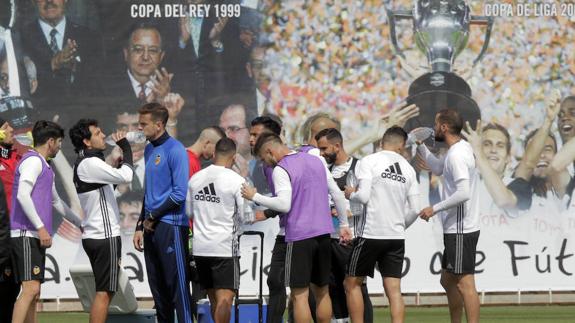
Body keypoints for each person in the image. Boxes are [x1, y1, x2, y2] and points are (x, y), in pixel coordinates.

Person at [242, 133, 351, 323]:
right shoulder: (316, 160)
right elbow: (337, 194)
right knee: (322, 291)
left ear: (269, 151)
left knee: (299, 295)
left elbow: (284, 205)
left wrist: (255, 196)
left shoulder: (281, 169)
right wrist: (343, 225)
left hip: (299, 237)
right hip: (324, 234)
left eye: (263, 159)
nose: (266, 164)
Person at [343, 126, 420, 323]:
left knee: (352, 283)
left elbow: (364, 196)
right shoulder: (409, 169)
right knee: (394, 290)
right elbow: (415, 209)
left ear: (380, 143)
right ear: (402, 147)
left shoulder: (369, 161)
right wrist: (399, 226)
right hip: (395, 237)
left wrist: (351, 193)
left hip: (370, 234)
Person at [10, 120, 81, 323]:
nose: (59, 146)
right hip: (25, 233)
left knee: (35, 292)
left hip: (34, 235)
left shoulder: (44, 165)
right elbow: (23, 195)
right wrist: (41, 228)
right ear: (50, 142)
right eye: (59, 142)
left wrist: (79, 223)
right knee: (30, 290)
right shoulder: (32, 161)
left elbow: (56, 201)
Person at [416, 109, 480, 323]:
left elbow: (463, 194)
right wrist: (419, 144)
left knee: (465, 284)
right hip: (456, 228)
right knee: (447, 280)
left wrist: (434, 208)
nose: (434, 129)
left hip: (461, 228)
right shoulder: (458, 150)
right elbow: (437, 167)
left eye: (436, 125)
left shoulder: (457, 155)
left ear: (444, 126)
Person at [69, 119, 134, 323]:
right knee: (104, 293)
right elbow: (127, 177)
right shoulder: (90, 163)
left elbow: (105, 192)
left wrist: (116, 168)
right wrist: (125, 147)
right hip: (104, 235)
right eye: (97, 133)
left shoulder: (86, 162)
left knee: (106, 291)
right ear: (87, 142)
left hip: (98, 234)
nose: (102, 134)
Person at [132, 103, 192, 323]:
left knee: (178, 289)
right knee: (158, 291)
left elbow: (179, 194)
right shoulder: (149, 149)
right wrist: (141, 224)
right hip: (151, 225)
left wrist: (152, 217)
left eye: (143, 124)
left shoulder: (175, 150)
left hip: (172, 225)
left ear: (158, 125)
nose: (140, 128)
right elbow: (148, 192)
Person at [186, 137, 253, 323]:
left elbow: (189, 212)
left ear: (214, 154)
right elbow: (244, 217)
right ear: (233, 158)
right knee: (225, 300)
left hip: (200, 248)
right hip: (224, 247)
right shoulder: (237, 180)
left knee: (214, 299)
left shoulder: (196, 178)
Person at [315, 127, 373, 323]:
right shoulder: (325, 170)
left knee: (356, 288)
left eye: (324, 149)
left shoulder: (358, 167)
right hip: (328, 238)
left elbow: (366, 201)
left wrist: (344, 211)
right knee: (333, 289)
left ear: (337, 146)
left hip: (351, 239)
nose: (321, 154)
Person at [20, 0, 103, 119]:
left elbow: (98, 91)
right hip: (39, 122)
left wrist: (74, 69)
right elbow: (20, 85)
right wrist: (53, 64)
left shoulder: (89, 37)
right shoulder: (20, 38)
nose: (49, 1)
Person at [461, 121, 533, 216]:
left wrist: (479, 153)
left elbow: (503, 201)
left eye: (500, 146)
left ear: (508, 157)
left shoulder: (521, 187)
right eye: (487, 144)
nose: (493, 150)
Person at [219, 103, 257, 177]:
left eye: (234, 129)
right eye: (222, 130)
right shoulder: (214, 172)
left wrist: (245, 179)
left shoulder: (267, 167)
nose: (226, 136)